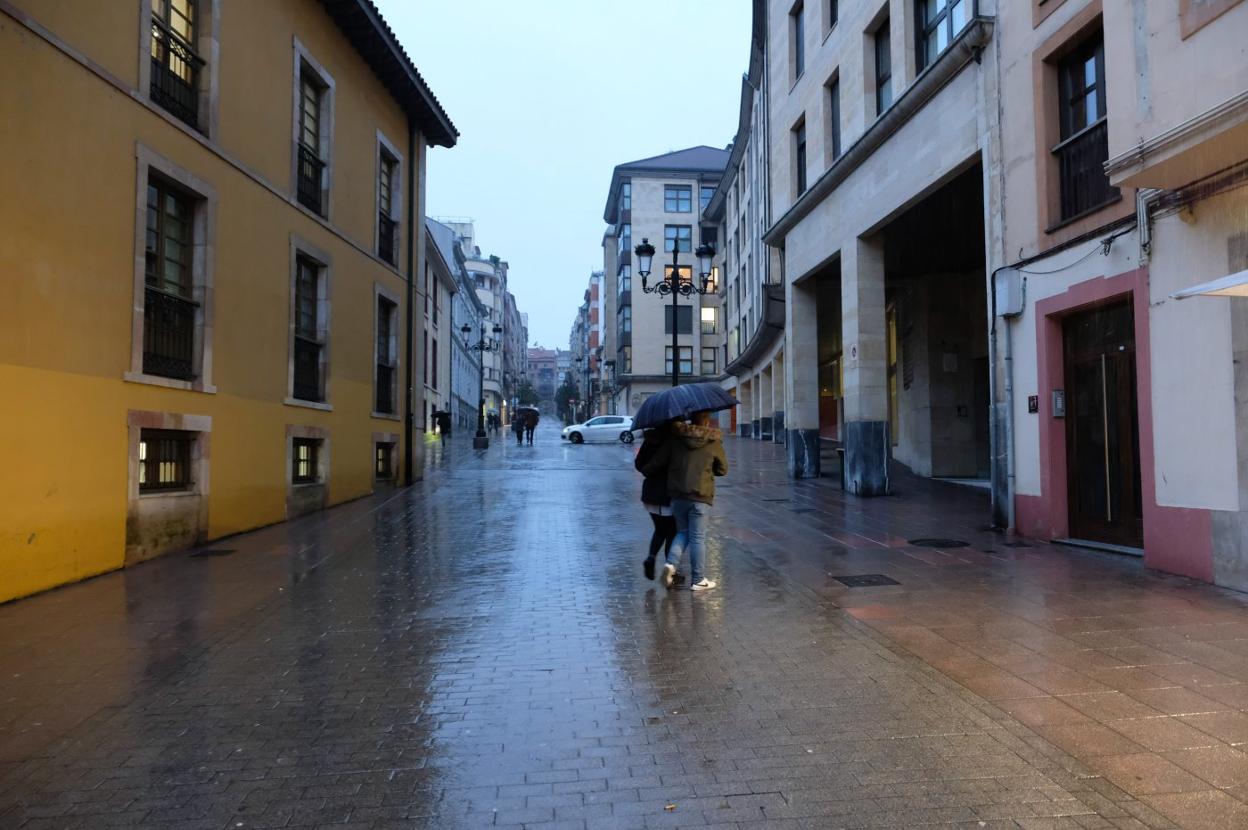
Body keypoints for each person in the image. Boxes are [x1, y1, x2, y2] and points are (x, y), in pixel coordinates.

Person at [643, 410, 728, 592]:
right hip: (700, 495)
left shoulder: (675, 439)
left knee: (682, 532)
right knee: (697, 537)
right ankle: (698, 579)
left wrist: (647, 470)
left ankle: (671, 565)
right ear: (707, 422)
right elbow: (722, 469)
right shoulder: (713, 442)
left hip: (678, 496)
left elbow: (657, 463)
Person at [634, 422, 679, 583]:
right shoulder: (674, 440)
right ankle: (671, 572)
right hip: (668, 493)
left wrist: (651, 472)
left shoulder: (649, 439)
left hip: (650, 493)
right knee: (672, 532)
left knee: (660, 529)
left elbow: (638, 464)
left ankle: (651, 558)